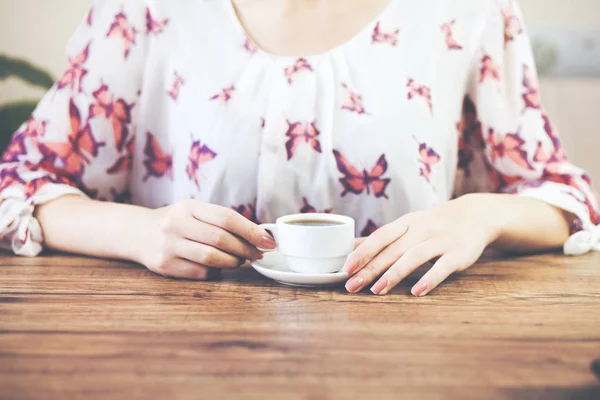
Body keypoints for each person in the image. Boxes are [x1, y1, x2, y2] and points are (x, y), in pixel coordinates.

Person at [1, 0, 598, 297]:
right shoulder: (147, 10)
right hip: (177, 363)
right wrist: (139, 233)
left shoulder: (468, 11)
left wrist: (478, 215)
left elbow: (566, 196)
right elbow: (21, 180)